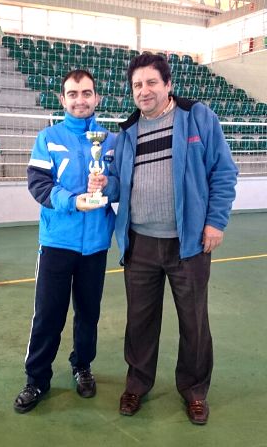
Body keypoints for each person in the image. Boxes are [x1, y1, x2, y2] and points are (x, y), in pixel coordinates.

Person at [88, 52, 238, 425]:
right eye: (137, 85)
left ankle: (195, 390)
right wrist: (108, 184)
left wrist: (215, 222)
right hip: (140, 244)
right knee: (139, 322)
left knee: (194, 322)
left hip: (187, 244)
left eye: (152, 82)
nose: (144, 90)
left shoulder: (197, 117)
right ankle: (137, 383)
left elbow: (224, 171)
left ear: (168, 84)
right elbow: (125, 183)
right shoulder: (127, 133)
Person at [13, 69, 116, 413]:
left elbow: (119, 184)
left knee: (88, 314)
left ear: (96, 98)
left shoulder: (110, 141)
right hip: (57, 241)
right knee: (48, 315)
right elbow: (38, 184)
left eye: (87, 93)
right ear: (63, 99)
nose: (80, 100)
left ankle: (82, 365)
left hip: (96, 244)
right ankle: (36, 379)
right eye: (73, 94)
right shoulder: (48, 138)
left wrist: (106, 187)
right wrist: (72, 201)